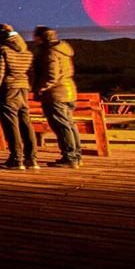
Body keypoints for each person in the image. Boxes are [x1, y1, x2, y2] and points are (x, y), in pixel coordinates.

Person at [0, 23, 37, 170]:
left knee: (11, 125)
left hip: (7, 90)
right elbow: (32, 72)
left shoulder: (1, 49)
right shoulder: (26, 51)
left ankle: (16, 159)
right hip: (23, 88)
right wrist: (29, 86)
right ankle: (31, 158)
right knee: (25, 123)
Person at [32, 26, 82, 168]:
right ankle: (76, 155)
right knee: (69, 125)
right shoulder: (63, 50)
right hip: (69, 91)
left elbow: (52, 75)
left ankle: (69, 157)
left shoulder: (49, 52)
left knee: (62, 126)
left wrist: (41, 88)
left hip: (56, 94)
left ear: (40, 37)